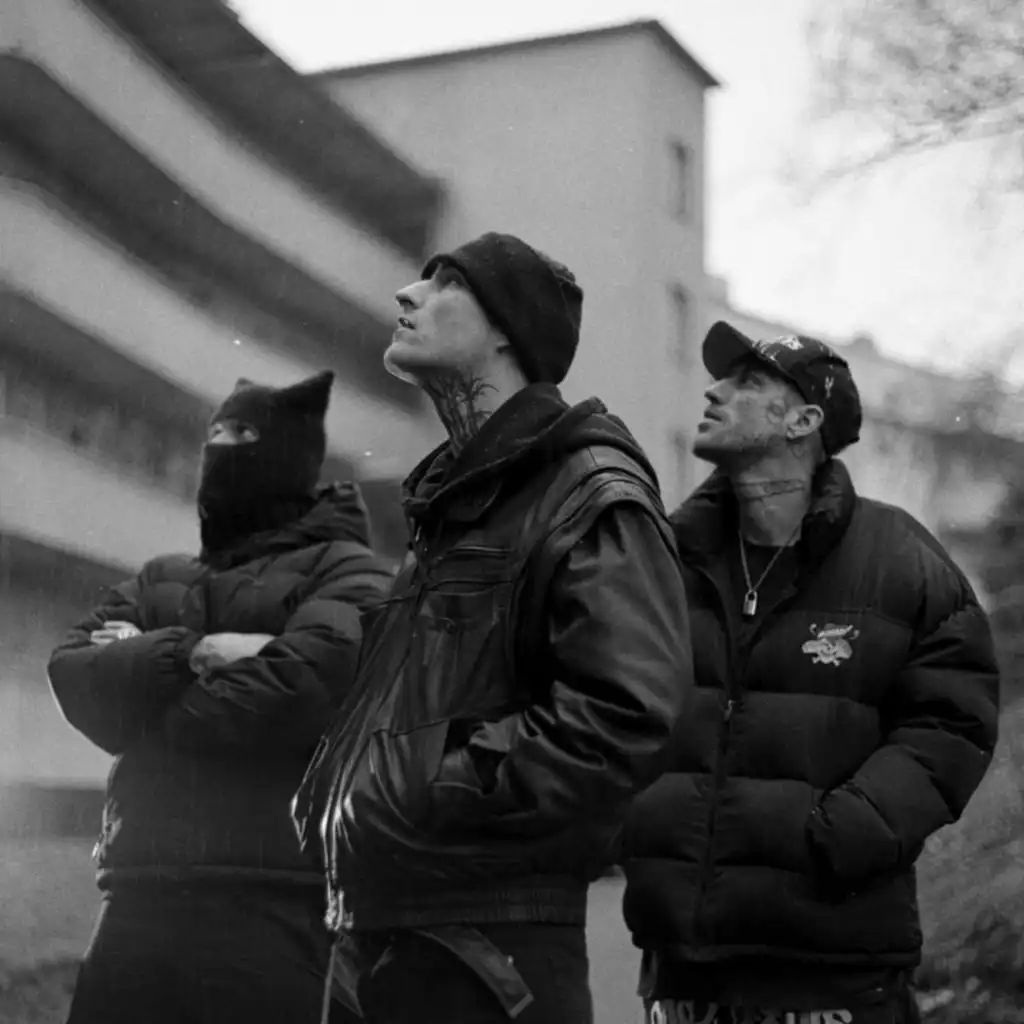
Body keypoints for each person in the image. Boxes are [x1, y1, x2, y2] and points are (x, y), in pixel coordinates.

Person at [292, 231, 692, 1024]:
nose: (408, 294)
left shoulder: (585, 488)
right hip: (383, 942)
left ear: (509, 328)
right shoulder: (452, 509)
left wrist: (430, 783)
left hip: (488, 961)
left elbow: (628, 711)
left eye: (447, 283)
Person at [620, 321, 1001, 1024]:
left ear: (803, 421)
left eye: (746, 382)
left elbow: (954, 722)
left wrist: (841, 833)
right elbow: (615, 706)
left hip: (835, 972)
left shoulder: (900, 559)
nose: (714, 391)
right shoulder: (665, 559)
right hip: (682, 971)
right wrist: (635, 824)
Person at [48, 370, 390, 1024]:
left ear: (291, 453)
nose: (222, 446)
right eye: (216, 431)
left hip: (271, 913)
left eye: (244, 432)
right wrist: (198, 653)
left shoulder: (350, 570)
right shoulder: (162, 574)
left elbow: (304, 684)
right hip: (133, 903)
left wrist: (147, 693)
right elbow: (74, 675)